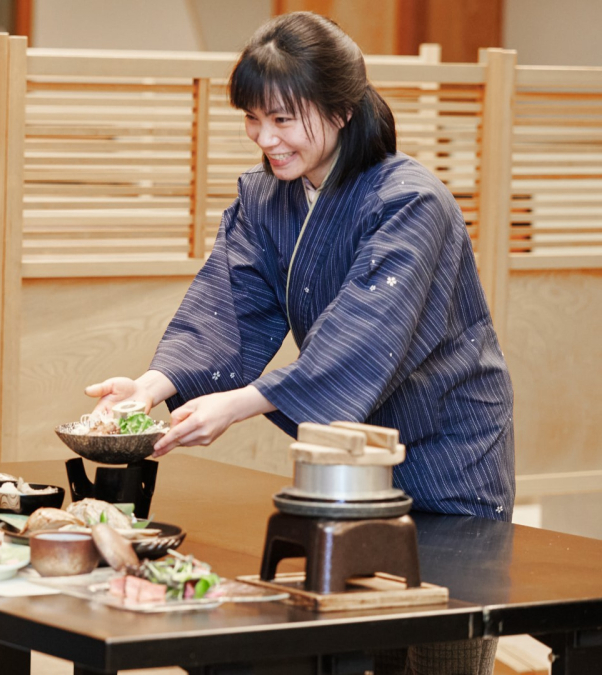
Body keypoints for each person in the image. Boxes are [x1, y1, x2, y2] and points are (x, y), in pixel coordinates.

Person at [86, 13, 513, 674]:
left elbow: (366, 336)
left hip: (448, 453)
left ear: (341, 110)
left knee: (441, 651)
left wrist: (241, 403)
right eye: (254, 120)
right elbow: (229, 302)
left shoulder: (411, 203)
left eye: (283, 119)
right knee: (348, 644)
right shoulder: (267, 197)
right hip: (353, 457)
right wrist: (155, 384)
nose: (266, 138)